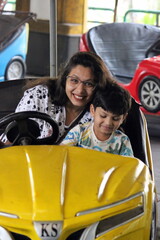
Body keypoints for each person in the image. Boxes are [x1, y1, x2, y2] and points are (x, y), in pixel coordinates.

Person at [1, 52, 115, 143]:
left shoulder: (102, 112)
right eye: (74, 80)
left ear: (99, 86)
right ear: (65, 79)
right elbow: (11, 140)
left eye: (89, 84)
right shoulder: (40, 96)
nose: (80, 90)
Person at [61, 82, 134, 157]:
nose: (108, 123)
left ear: (123, 118)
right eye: (103, 116)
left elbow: (129, 167)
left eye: (115, 119)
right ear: (92, 110)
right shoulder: (78, 132)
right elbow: (62, 155)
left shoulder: (122, 141)